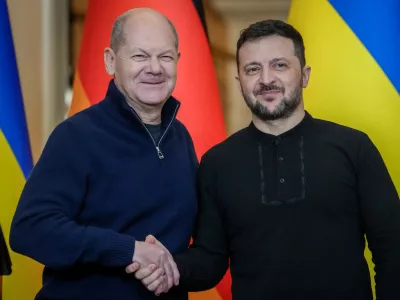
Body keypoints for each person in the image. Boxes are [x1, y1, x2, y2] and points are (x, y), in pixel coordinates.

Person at [129, 19, 400, 300]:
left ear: (304, 75)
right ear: (239, 81)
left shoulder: (354, 148)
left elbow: (392, 247)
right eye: (252, 69)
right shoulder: (217, 163)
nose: (266, 79)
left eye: (280, 65)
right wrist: (168, 268)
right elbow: (210, 260)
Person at [9, 8, 198, 300]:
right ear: (111, 61)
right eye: (139, 56)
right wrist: (130, 250)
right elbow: (30, 229)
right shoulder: (75, 136)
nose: (154, 67)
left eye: (165, 56)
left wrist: (170, 267)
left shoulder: (182, 138)